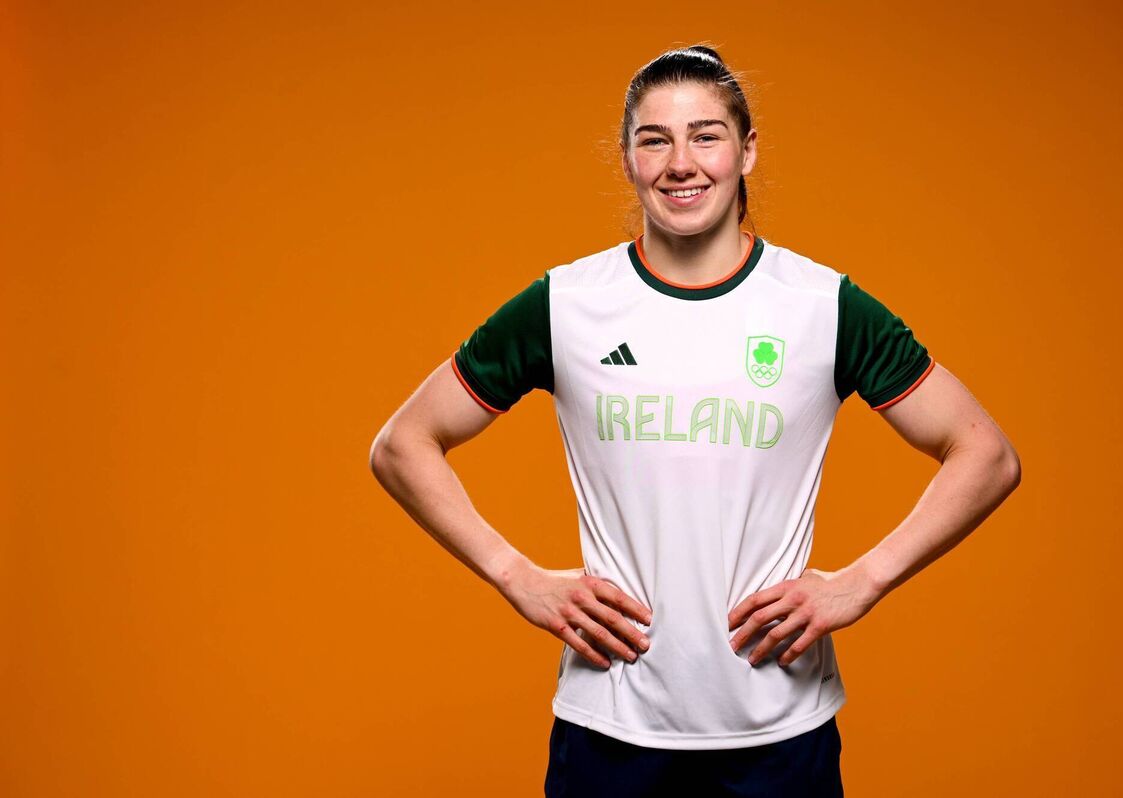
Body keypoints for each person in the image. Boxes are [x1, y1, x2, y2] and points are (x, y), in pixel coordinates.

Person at [370, 44, 1021, 797]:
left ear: (747, 150)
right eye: (656, 139)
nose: (682, 163)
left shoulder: (821, 306)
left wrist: (862, 581)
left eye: (706, 135)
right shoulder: (568, 304)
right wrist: (514, 574)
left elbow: (985, 454)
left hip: (782, 737)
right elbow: (402, 446)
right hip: (608, 734)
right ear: (629, 160)